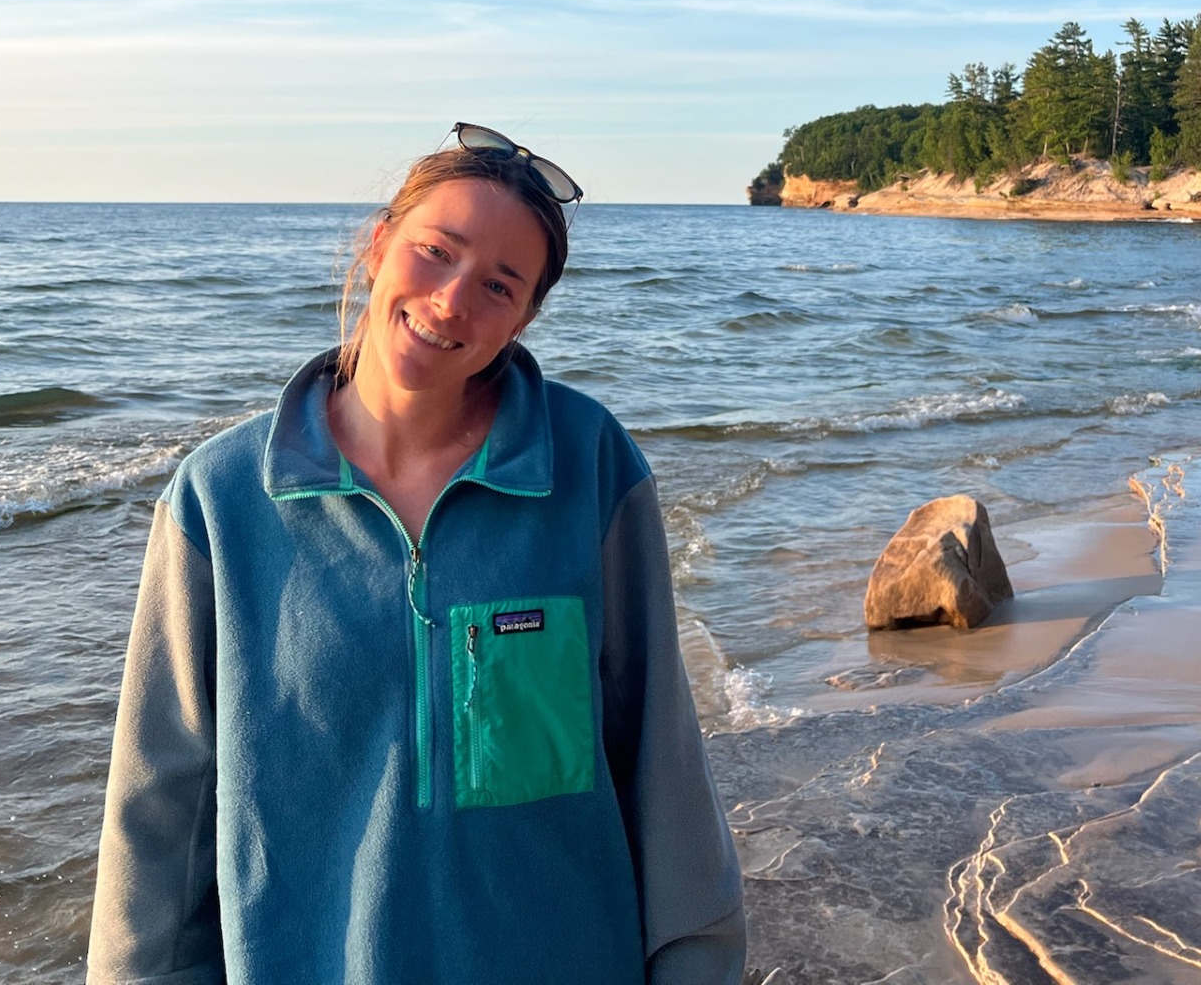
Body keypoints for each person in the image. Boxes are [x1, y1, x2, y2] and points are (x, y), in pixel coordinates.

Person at [87, 124, 746, 985]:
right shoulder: (220, 498)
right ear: (378, 245)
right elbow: (159, 804)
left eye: (499, 285)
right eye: (436, 252)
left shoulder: (589, 464)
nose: (451, 300)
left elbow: (660, 755)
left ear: (524, 318)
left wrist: (698, 959)